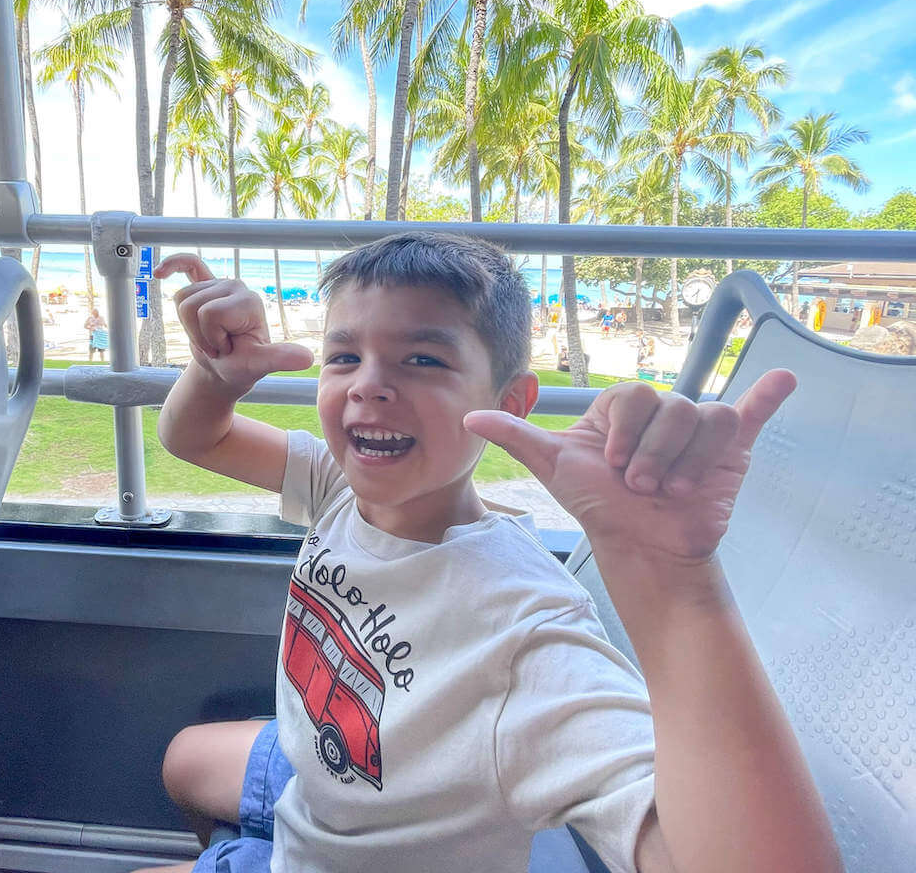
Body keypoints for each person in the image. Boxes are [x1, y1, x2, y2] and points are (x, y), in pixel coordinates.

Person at [137, 232, 840, 873]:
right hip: (327, 793)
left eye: (422, 359)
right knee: (184, 760)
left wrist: (672, 578)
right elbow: (195, 439)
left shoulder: (522, 632)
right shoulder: (340, 485)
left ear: (513, 401)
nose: (368, 383)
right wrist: (215, 375)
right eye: (345, 356)